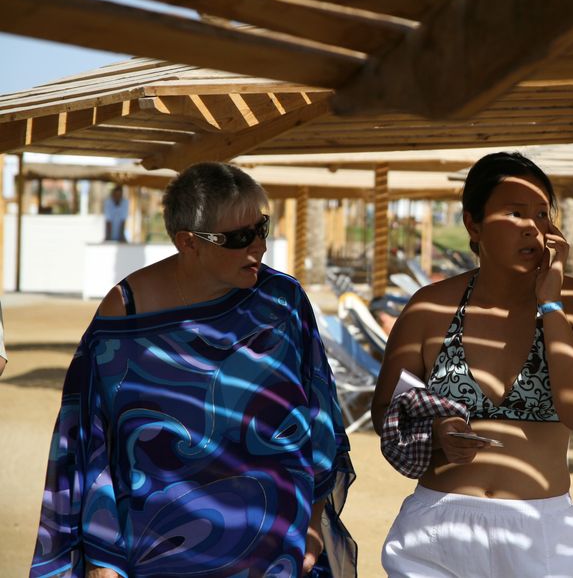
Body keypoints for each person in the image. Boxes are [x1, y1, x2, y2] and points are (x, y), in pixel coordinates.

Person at [31, 162, 357, 577]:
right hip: (161, 551)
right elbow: (92, 442)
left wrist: (313, 522)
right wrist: (101, 558)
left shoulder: (282, 302)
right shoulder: (126, 314)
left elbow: (320, 414)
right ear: (188, 242)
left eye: (261, 228)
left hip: (276, 549)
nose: (259, 246)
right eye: (239, 237)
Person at [371, 152, 573, 578]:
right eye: (515, 213)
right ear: (474, 225)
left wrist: (551, 304)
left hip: (540, 531)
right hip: (436, 527)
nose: (533, 227)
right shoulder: (430, 306)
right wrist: (438, 433)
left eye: (542, 214)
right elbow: (386, 412)